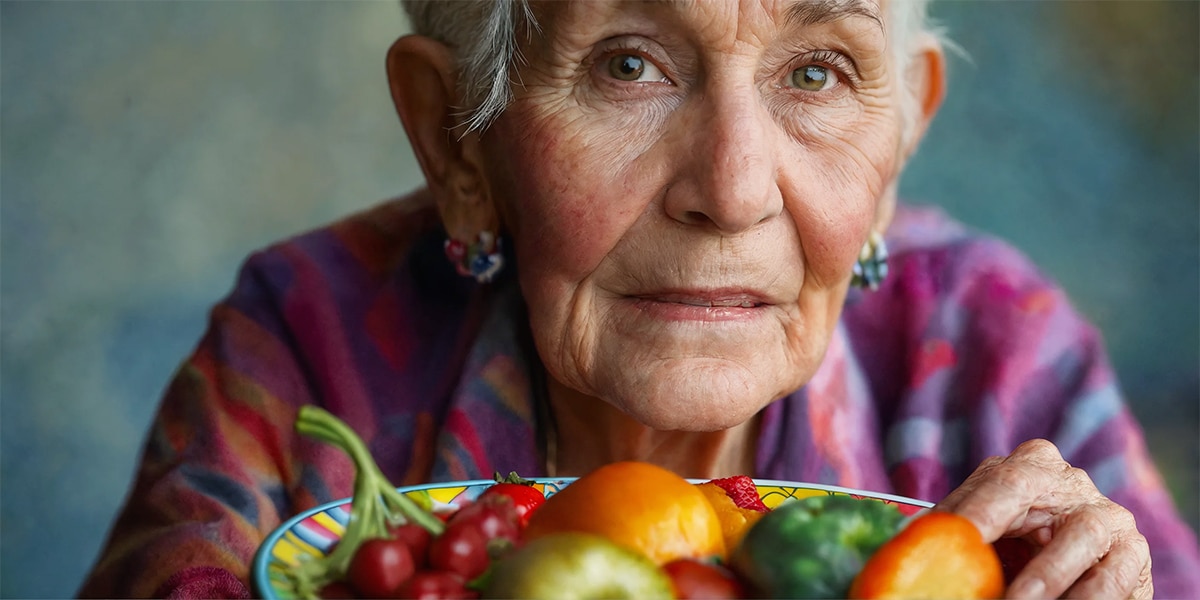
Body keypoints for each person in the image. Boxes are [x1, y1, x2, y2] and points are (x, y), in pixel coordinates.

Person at [79, 1, 1199, 598]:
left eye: (817, 71)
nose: (732, 189)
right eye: (627, 63)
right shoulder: (299, 343)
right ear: (455, 139)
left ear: (900, 139)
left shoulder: (1002, 356)